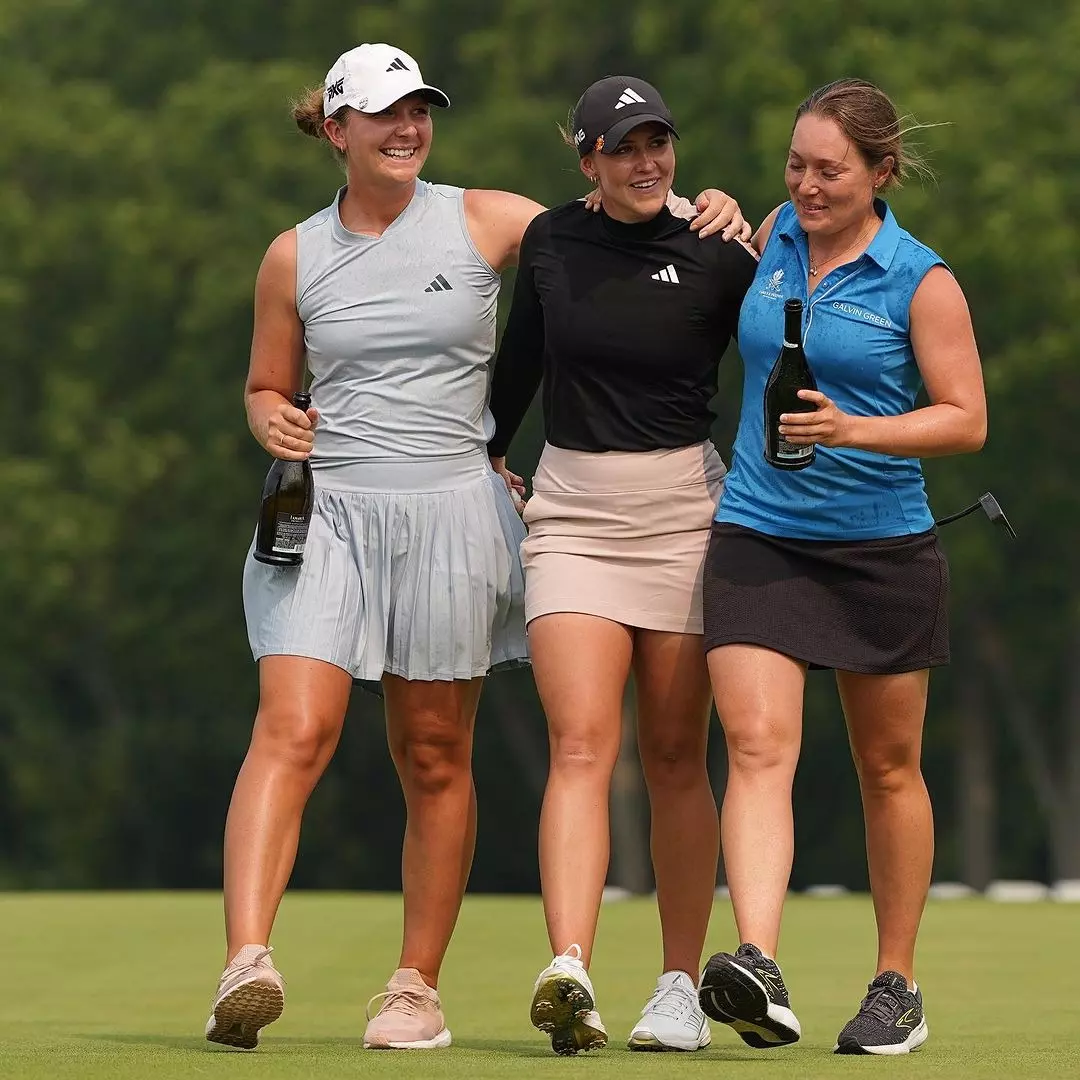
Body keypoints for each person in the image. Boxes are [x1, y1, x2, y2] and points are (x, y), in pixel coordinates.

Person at [204, 44, 749, 1052]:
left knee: (434, 750)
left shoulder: (491, 219)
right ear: (336, 132)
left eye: (419, 112)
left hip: (453, 512)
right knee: (294, 725)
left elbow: (611, 222)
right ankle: (247, 961)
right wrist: (269, 417)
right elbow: (267, 385)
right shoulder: (293, 255)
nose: (408, 130)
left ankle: (414, 989)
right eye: (384, 116)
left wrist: (706, 206)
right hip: (323, 511)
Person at [695, 78, 986, 1056]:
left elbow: (965, 418)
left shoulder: (920, 279)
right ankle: (758, 965)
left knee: (887, 767)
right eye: (796, 164)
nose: (807, 186)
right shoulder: (776, 234)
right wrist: (733, 211)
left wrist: (856, 427)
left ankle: (895, 986)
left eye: (830, 170)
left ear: (880, 174)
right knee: (758, 745)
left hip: (882, 548)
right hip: (758, 532)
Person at [486, 76, 759, 1055]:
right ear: (588, 160)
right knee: (580, 743)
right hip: (572, 517)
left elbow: (776, 357)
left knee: (679, 756)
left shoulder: (721, 249)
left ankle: (680, 986)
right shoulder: (554, 241)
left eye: (661, 143)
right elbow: (520, 356)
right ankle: (570, 966)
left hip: (687, 515)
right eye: (626, 146)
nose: (649, 162)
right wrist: (485, 453)